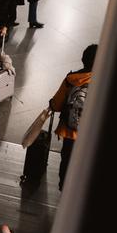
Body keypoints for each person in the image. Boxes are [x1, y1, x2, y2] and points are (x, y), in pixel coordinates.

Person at [50, 44, 97, 191]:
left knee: (67, 160)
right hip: (91, 133)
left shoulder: (71, 79)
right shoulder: (103, 82)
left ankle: (64, 187)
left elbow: (56, 105)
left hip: (70, 131)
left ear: (83, 60)